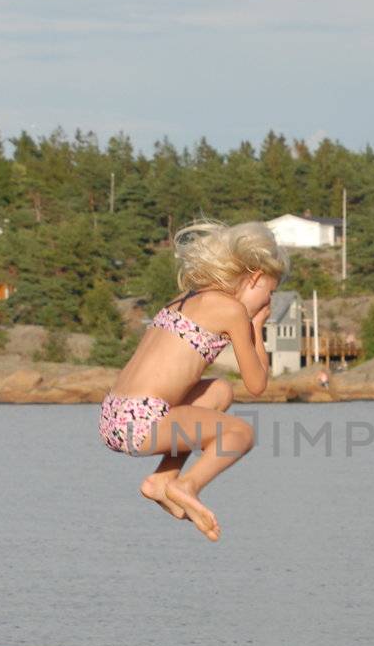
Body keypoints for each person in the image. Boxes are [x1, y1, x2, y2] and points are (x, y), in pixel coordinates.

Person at [98, 219, 286, 541]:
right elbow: (257, 384)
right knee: (240, 433)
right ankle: (186, 485)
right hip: (144, 419)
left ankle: (161, 480)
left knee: (220, 391)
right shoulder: (232, 311)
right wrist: (256, 326)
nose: (268, 303)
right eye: (269, 293)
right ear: (254, 277)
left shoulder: (189, 297)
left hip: (114, 414)